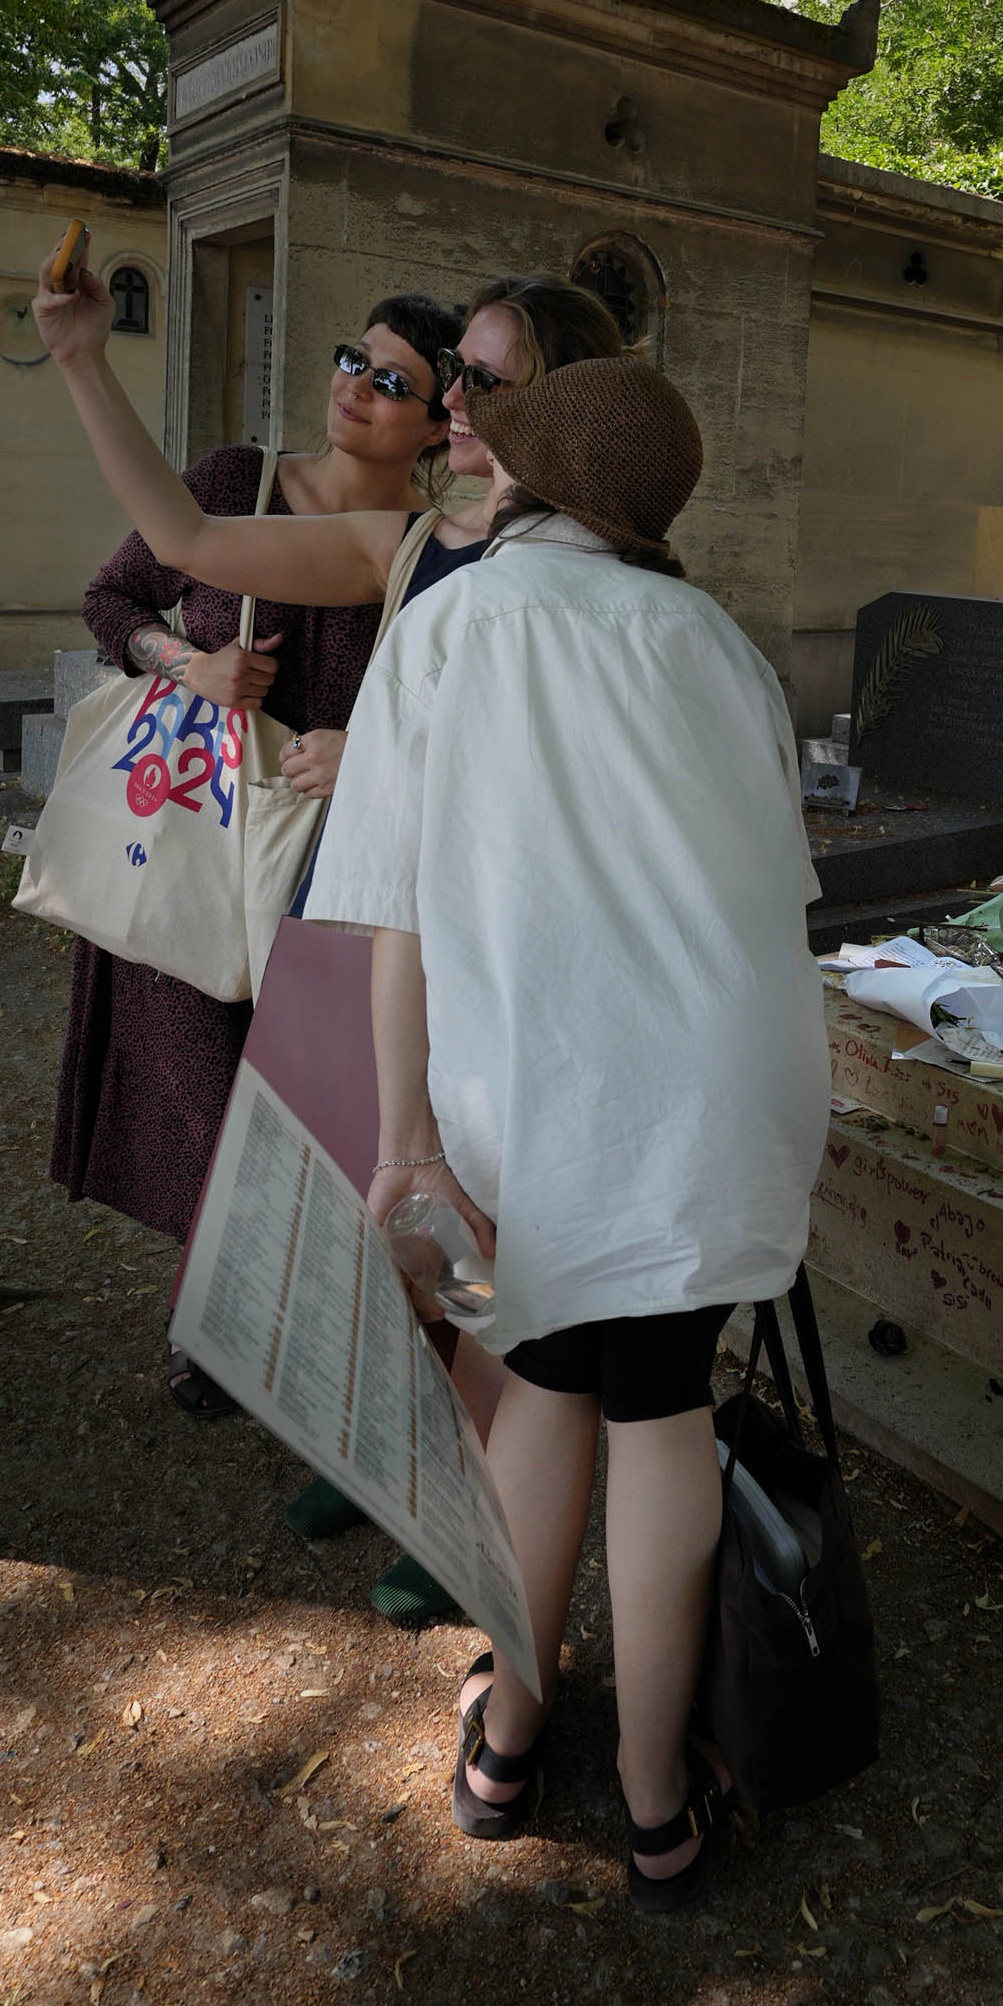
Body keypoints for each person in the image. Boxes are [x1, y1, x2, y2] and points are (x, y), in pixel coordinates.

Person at [304, 354, 829, 1910]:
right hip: (720, 1083)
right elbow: (778, 894)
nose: (469, 447)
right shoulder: (721, 643)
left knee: (538, 1394)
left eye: (496, 442)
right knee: (659, 1402)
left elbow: (392, 912)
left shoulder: (457, 622)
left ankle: (512, 1740)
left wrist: (405, 1143)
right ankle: (660, 1802)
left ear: (537, 485)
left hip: (537, 1088)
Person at [33, 250, 628, 1615]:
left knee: (480, 1214)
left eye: (482, 376)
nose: (451, 396)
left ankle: (466, 1508)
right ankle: (378, 1454)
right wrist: (80, 360)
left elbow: (564, 778)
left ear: (558, 405)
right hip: (359, 924)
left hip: (487, 931)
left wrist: (386, 760)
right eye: (452, 373)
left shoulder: (600, 573)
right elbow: (180, 545)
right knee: (370, 1192)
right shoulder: (414, 544)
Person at [48, 288, 464, 1417]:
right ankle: (217, 1321)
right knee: (196, 1099)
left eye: (391, 382)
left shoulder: (425, 554)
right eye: (351, 360)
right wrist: (180, 663)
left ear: (439, 424)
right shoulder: (236, 481)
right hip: (189, 841)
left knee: (305, 1107)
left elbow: (446, 717)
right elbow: (114, 595)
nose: (354, 390)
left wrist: (365, 747)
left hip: (325, 872)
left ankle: (306, 1330)